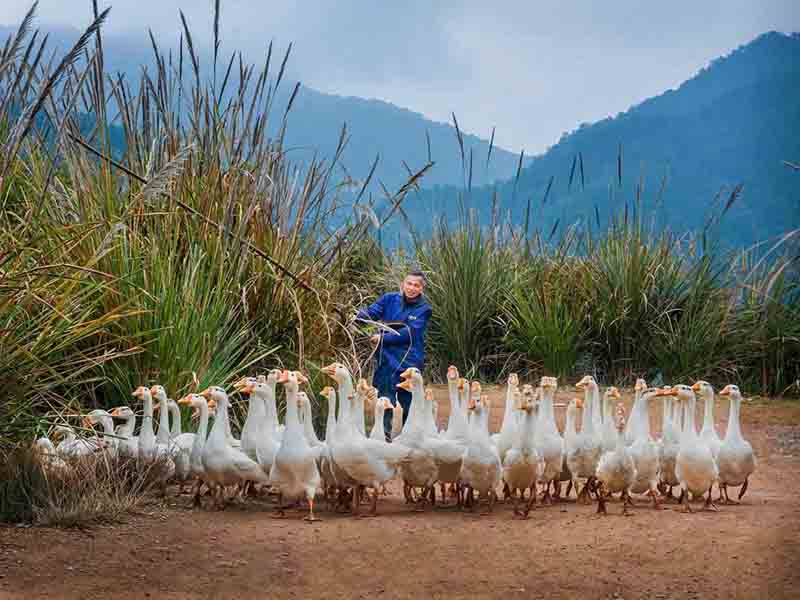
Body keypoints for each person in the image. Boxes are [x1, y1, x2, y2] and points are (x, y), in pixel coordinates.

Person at [355, 270, 432, 441]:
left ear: (421, 289)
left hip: (409, 359)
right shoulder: (389, 299)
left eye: (416, 285)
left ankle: (410, 437)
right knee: (385, 398)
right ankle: (384, 436)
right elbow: (371, 312)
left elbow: (409, 333)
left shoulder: (424, 309)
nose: (412, 288)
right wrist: (357, 316)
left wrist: (382, 338)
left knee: (408, 401)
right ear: (403, 284)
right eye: (409, 284)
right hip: (387, 358)